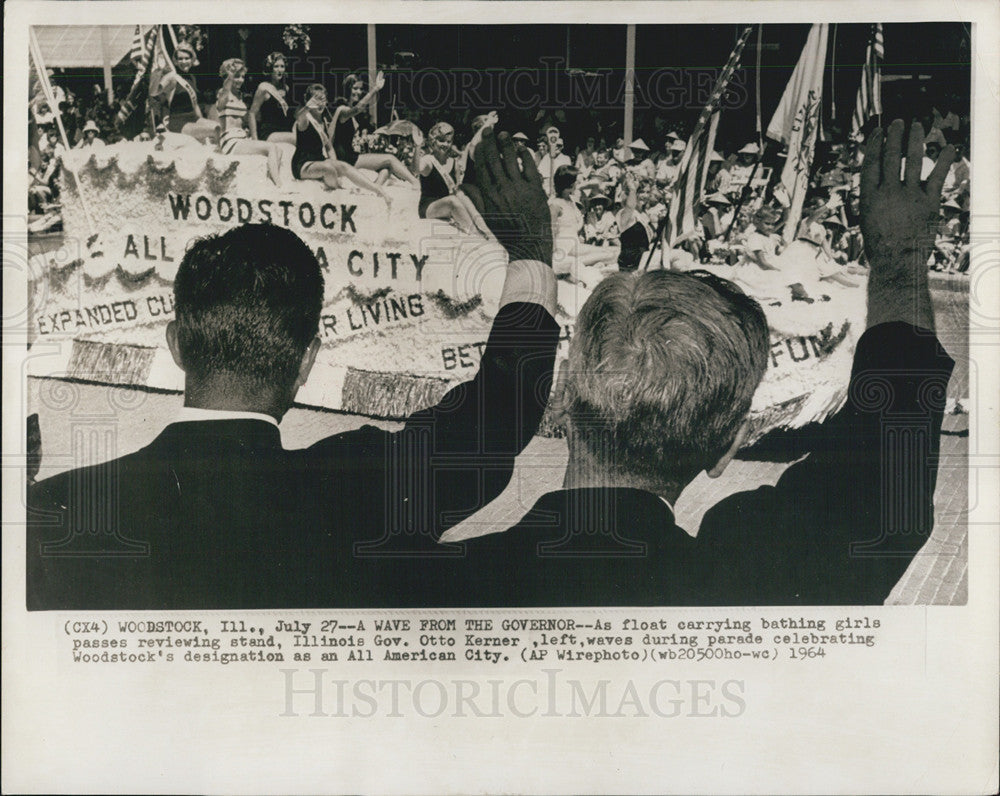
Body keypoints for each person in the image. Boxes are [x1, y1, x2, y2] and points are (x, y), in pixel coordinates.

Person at [410, 119, 956, 607]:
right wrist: (901, 259)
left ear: (564, 402)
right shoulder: (755, 592)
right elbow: (884, 485)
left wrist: (529, 255)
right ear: (729, 446)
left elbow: (447, 449)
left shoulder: (413, 590)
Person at [26, 129, 560, 611]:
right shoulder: (360, 490)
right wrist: (531, 249)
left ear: (176, 346)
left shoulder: (57, 514)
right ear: (308, 359)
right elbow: (500, 415)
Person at [290, 84, 391, 204]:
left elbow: (329, 147)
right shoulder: (306, 120)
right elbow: (298, 116)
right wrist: (307, 107)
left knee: (343, 166)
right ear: (309, 101)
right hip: (302, 165)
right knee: (329, 169)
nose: (320, 104)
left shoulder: (322, 123)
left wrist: (335, 162)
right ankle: (338, 190)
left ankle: (377, 189)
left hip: (318, 161)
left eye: (323, 100)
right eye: (316, 100)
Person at [331, 72, 418, 187]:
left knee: (386, 169)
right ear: (347, 89)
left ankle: (375, 189)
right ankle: (416, 183)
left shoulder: (347, 110)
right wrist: (375, 89)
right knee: (390, 159)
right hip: (345, 160)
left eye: (360, 89)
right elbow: (357, 109)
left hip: (351, 156)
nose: (359, 92)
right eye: (355, 88)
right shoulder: (342, 110)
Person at [416, 120, 492, 237]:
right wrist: (417, 146)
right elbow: (416, 169)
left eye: (448, 142)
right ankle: (475, 234)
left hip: (448, 203)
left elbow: (456, 187)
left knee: (464, 197)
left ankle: (486, 231)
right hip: (429, 207)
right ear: (433, 141)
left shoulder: (454, 162)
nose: (445, 145)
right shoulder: (428, 160)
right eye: (441, 140)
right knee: (453, 201)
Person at [216, 58, 283, 186]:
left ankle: (270, 181)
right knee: (271, 147)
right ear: (228, 76)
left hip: (242, 138)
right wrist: (230, 77)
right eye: (237, 77)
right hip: (230, 141)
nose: (241, 80)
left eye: (242, 77)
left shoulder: (240, 96)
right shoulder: (223, 94)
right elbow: (224, 94)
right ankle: (278, 185)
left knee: (278, 149)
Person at [549, 166, 619, 280]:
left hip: (574, 245)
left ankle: (582, 265)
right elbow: (550, 231)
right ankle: (569, 266)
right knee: (610, 255)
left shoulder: (571, 199)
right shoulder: (555, 204)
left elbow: (595, 183)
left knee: (614, 252)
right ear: (570, 183)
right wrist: (555, 254)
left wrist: (581, 184)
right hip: (564, 247)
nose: (579, 182)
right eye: (577, 180)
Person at [153, 41, 218, 143]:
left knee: (218, 126)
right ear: (175, 61)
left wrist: (202, 122)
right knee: (214, 130)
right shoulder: (171, 77)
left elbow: (195, 105)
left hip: (193, 119)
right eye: (180, 59)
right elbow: (155, 96)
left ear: (192, 59)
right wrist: (157, 73)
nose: (184, 62)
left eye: (186, 58)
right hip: (178, 122)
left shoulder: (192, 78)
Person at [249, 52, 295, 145]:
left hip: (284, 131)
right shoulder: (264, 88)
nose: (280, 70)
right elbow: (252, 114)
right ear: (270, 68)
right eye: (276, 66)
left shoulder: (285, 88)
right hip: (269, 133)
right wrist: (255, 140)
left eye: (282, 66)